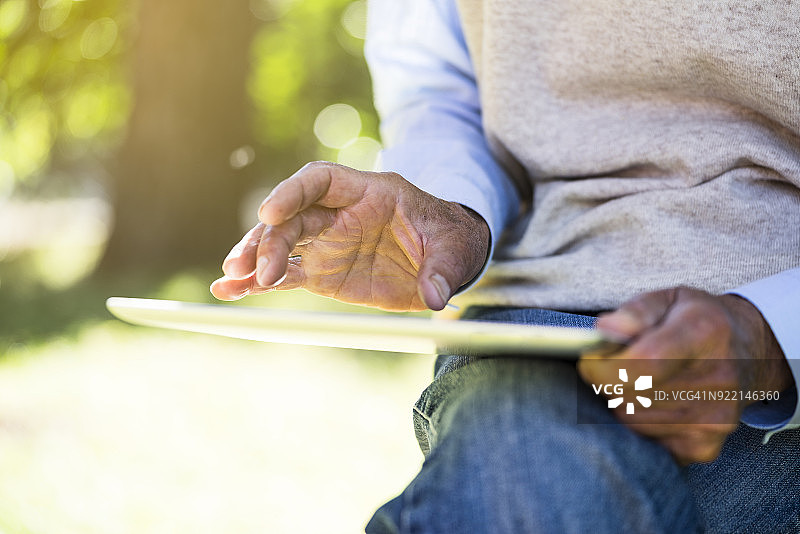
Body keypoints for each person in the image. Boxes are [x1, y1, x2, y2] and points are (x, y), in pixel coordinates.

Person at [211, 0, 800, 531]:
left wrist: (771, 335)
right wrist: (452, 212)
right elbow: (437, 91)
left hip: (782, 383)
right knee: (520, 463)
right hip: (546, 340)